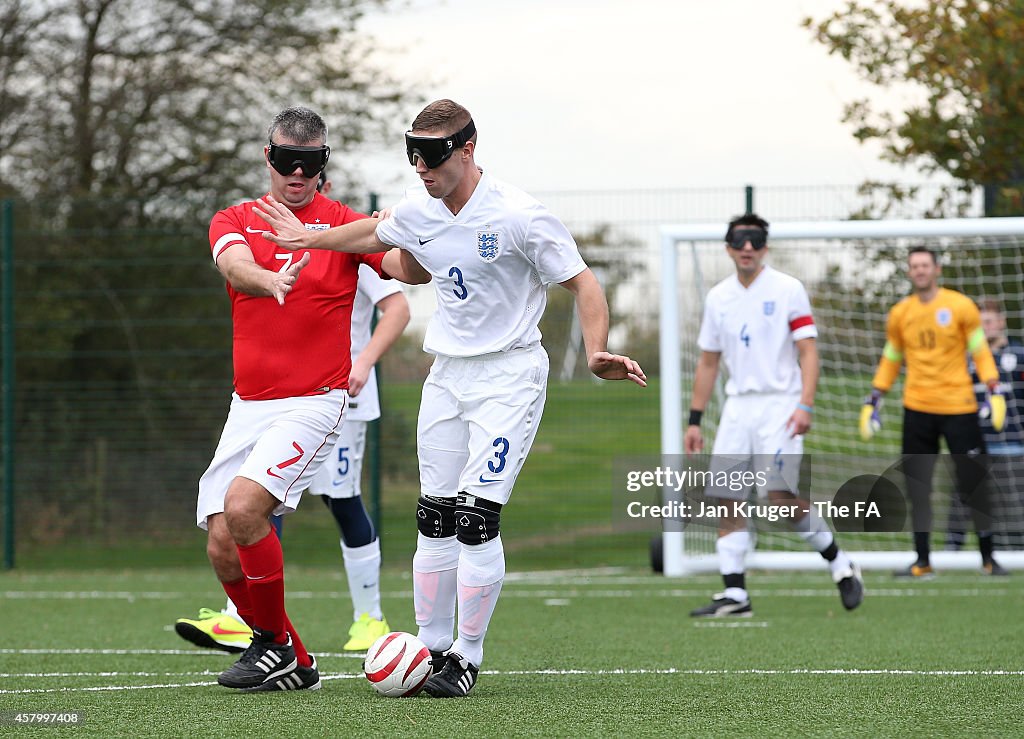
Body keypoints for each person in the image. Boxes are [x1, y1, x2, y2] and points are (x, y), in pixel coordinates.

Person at [253, 98, 647, 697]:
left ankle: (466, 657)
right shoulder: (421, 208)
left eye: (433, 154)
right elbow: (375, 231)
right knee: (433, 516)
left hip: (510, 377)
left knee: (475, 517)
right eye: (413, 153)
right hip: (447, 376)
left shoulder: (518, 215)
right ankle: (431, 650)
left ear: (467, 149)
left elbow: (584, 282)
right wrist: (312, 238)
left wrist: (596, 351)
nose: (422, 166)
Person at [194, 106, 426, 693]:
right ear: (268, 157)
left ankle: (269, 647)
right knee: (222, 542)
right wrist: (270, 280)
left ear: (324, 164)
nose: (297, 174)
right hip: (247, 403)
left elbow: (406, 274)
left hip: (314, 401)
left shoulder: (345, 226)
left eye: (311, 163)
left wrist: (413, 233)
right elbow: (235, 264)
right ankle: (295, 659)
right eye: (286, 161)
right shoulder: (235, 219)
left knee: (246, 509)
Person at [684, 213, 864, 618]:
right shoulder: (718, 298)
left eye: (755, 240)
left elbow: (808, 351)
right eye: (739, 240)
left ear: (765, 247)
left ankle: (840, 563)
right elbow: (709, 363)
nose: (747, 247)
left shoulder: (788, 289)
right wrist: (695, 420)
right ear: (729, 247)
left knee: (779, 501)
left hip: (781, 405)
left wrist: (805, 404)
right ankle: (735, 594)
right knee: (726, 498)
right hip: (737, 407)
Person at [861, 247, 1007, 578]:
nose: (920, 271)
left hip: (960, 408)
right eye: (914, 266)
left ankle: (988, 558)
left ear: (936, 269)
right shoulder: (900, 313)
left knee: (974, 482)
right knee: (917, 486)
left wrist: (993, 388)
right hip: (917, 410)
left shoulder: (960, 306)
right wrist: (874, 397)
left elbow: (981, 351)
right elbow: (891, 357)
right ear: (909, 272)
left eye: (925, 265)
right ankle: (922, 560)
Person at [945, 298, 1023, 556]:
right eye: (980, 323)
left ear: (1001, 322)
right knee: (963, 498)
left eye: (988, 321)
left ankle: (1008, 554)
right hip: (975, 443)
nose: (985, 327)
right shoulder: (966, 360)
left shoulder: (1019, 357)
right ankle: (951, 550)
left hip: (1012, 445)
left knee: (1012, 507)